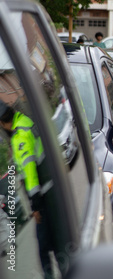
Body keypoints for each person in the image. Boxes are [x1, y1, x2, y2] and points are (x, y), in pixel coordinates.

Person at [0, 101, 56, 278]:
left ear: (2, 123)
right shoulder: (23, 121)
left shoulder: (19, 136)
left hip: (41, 195)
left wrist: (36, 207)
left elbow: (30, 173)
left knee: (43, 247)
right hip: (49, 188)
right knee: (53, 241)